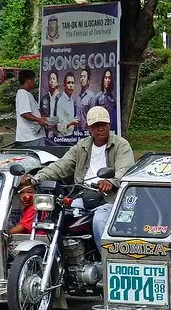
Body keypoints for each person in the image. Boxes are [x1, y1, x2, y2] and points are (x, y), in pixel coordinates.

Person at [22, 106, 134, 249]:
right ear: (88, 127)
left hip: (110, 198)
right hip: (83, 196)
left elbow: (124, 169)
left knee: (99, 221)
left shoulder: (121, 145)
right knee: (58, 216)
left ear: (108, 125)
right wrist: (37, 178)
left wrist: (110, 181)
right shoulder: (82, 146)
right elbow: (62, 165)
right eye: (96, 125)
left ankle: (106, 263)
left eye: (103, 124)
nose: (100, 128)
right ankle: (60, 259)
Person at [15, 70, 49, 147]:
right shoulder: (22, 94)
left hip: (35, 136)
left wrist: (43, 118)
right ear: (29, 80)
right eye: (33, 80)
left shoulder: (28, 94)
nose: (34, 83)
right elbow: (25, 114)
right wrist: (39, 120)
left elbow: (37, 110)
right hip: (29, 137)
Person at [55, 72, 80, 137]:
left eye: (72, 83)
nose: (71, 85)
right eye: (68, 83)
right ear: (64, 85)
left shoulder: (72, 100)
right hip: (62, 138)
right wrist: (71, 123)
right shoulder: (61, 101)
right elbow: (59, 126)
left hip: (70, 137)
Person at [74, 69, 97, 134]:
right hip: (77, 133)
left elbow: (93, 117)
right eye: (81, 77)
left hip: (87, 132)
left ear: (88, 81)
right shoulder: (76, 98)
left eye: (84, 77)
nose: (82, 79)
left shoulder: (92, 97)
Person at [39, 71, 61, 138]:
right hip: (46, 131)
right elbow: (41, 114)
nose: (51, 81)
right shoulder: (44, 99)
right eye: (50, 79)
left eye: (53, 79)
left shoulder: (62, 98)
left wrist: (52, 123)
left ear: (57, 82)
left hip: (59, 133)